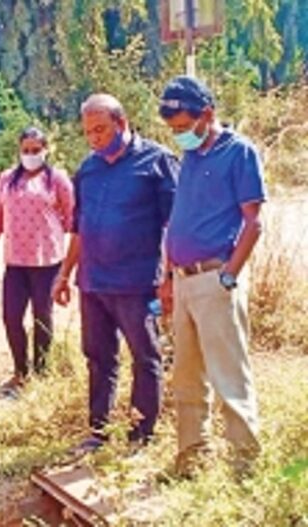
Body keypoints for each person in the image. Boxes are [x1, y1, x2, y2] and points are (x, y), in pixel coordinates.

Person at [52, 94, 177, 453]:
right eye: (88, 132)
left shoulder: (157, 162)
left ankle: (141, 436)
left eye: (101, 130)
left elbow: (174, 225)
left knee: (145, 356)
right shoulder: (88, 168)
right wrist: (64, 274)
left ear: (121, 124)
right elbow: (79, 226)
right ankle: (99, 432)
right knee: (99, 358)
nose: (94, 138)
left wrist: (169, 279)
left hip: (138, 284)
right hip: (93, 283)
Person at [157, 76, 264, 475]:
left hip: (216, 278)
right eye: (174, 130)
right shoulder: (191, 158)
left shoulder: (239, 153)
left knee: (228, 377)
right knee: (186, 377)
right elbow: (180, 219)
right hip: (184, 280)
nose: (179, 135)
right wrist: (169, 278)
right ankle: (190, 459)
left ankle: (244, 468)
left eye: (184, 127)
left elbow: (253, 224)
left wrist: (230, 276)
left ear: (208, 114)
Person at [0, 126, 74, 390]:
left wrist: (69, 264)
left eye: (36, 150)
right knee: (11, 317)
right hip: (15, 262)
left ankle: (43, 373)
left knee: (42, 317)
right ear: (19, 150)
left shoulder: (57, 180)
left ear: (46, 150)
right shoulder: (7, 180)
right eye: (26, 150)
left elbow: (72, 218)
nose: (31, 155)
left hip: (46, 262)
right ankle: (20, 372)